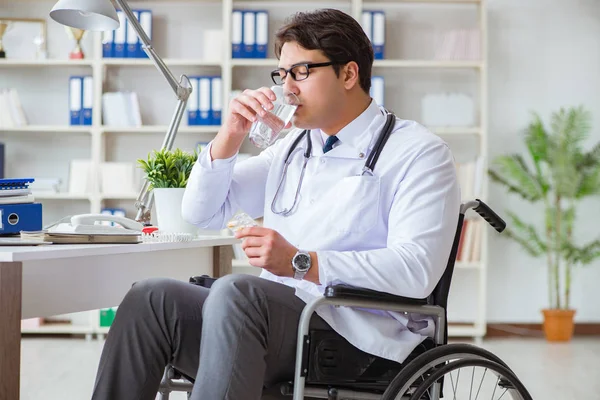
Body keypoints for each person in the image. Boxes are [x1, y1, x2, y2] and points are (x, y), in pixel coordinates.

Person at [91, 8, 460, 400]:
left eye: (300, 72)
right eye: (281, 74)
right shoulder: (291, 148)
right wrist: (229, 136)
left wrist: (304, 262)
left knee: (238, 293)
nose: (287, 88)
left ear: (349, 74)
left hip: (359, 335)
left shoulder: (419, 153)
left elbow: (416, 269)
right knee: (151, 298)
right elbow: (202, 212)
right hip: (270, 321)